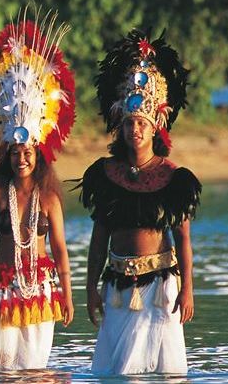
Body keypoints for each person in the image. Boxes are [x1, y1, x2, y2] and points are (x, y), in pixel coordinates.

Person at [80, 30, 199, 375]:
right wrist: (90, 288)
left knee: (163, 374)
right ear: (121, 125)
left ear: (154, 128)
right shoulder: (105, 175)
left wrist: (188, 289)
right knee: (117, 372)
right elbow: (99, 238)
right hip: (117, 285)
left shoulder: (173, 178)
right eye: (130, 123)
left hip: (161, 287)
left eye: (142, 124)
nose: (135, 130)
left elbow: (184, 238)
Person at [0, 16, 75, 370]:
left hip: (41, 288)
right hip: (1, 287)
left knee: (35, 370)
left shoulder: (50, 199)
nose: (21, 158)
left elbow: (60, 249)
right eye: (15, 152)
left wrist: (68, 298)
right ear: (7, 155)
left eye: (27, 152)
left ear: (39, 155)